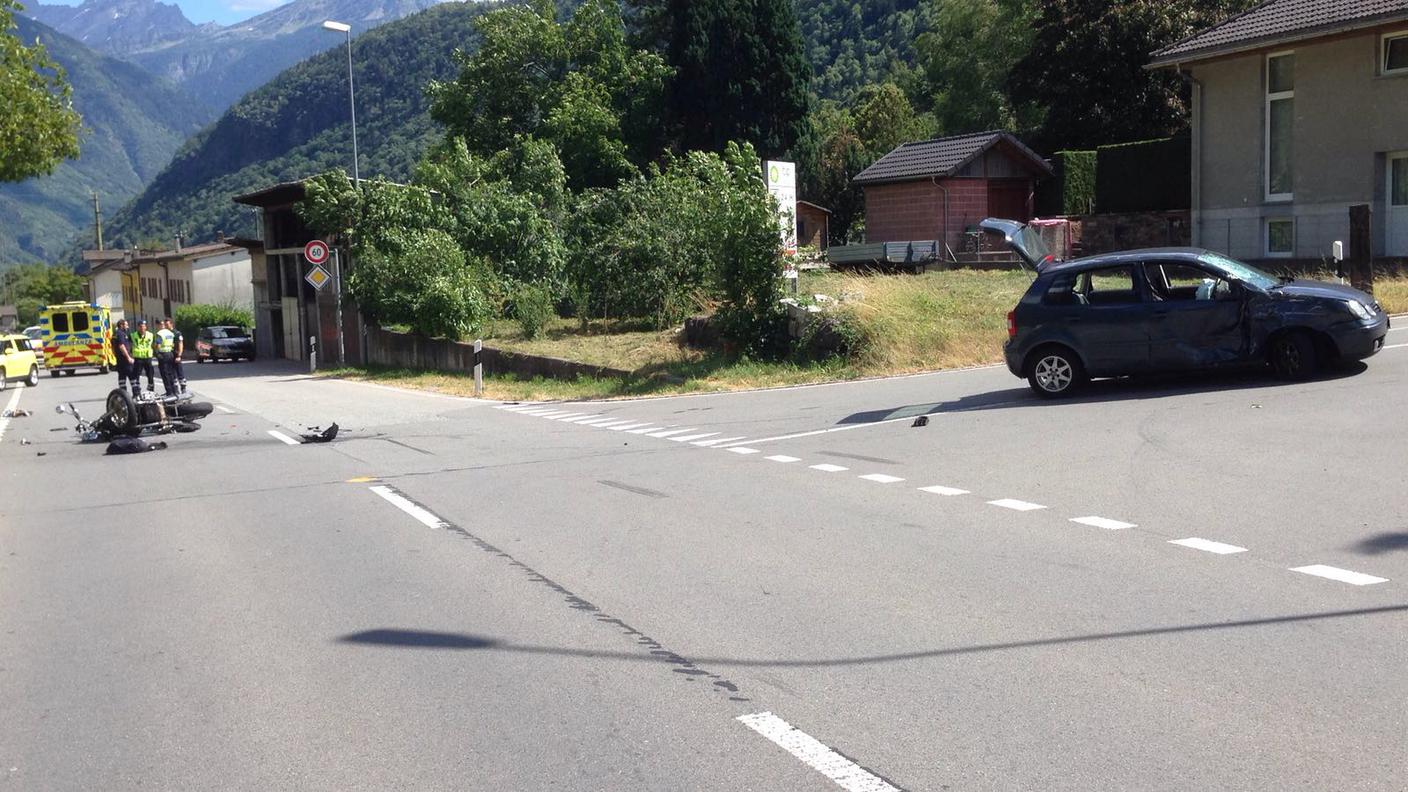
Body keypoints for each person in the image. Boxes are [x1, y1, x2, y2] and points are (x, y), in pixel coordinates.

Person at [163, 318, 189, 395]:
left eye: (167, 324)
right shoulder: (165, 333)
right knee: (171, 373)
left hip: (176, 354)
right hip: (169, 356)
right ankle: (175, 390)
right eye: (165, 325)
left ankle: (183, 389)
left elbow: (180, 344)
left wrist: (179, 355)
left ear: (171, 324)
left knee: (179, 372)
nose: (166, 326)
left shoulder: (177, 333)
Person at [130, 319, 156, 394]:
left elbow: (154, 345)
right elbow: (128, 345)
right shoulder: (133, 335)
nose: (142, 328)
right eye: (140, 327)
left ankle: (151, 391)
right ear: (138, 327)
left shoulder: (150, 335)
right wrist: (129, 355)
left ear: (146, 327)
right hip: (138, 358)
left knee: (150, 375)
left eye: (143, 326)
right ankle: (136, 392)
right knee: (136, 376)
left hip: (148, 358)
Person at [154, 318, 178, 396]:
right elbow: (173, 344)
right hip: (170, 353)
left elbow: (158, 344)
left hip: (163, 354)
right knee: (171, 373)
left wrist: (157, 353)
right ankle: (174, 390)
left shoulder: (160, 333)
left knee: (165, 374)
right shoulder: (170, 333)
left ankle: (169, 391)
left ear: (160, 325)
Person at [112, 318, 135, 395]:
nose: (127, 327)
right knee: (132, 376)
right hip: (125, 359)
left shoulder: (115, 334)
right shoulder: (121, 333)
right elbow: (121, 346)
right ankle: (136, 394)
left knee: (122, 378)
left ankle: (123, 395)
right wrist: (128, 357)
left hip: (119, 359)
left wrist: (115, 355)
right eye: (126, 325)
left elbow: (113, 347)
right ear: (121, 325)